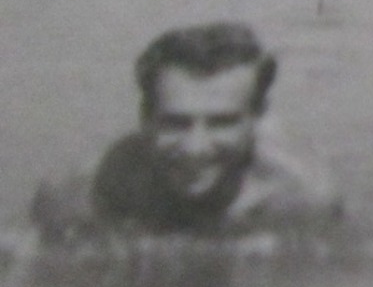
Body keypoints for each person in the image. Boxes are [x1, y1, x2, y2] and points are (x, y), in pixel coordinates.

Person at [29, 24, 341, 241]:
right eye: (175, 124)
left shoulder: (300, 196)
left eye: (222, 123)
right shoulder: (81, 191)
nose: (196, 148)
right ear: (146, 118)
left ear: (257, 119)